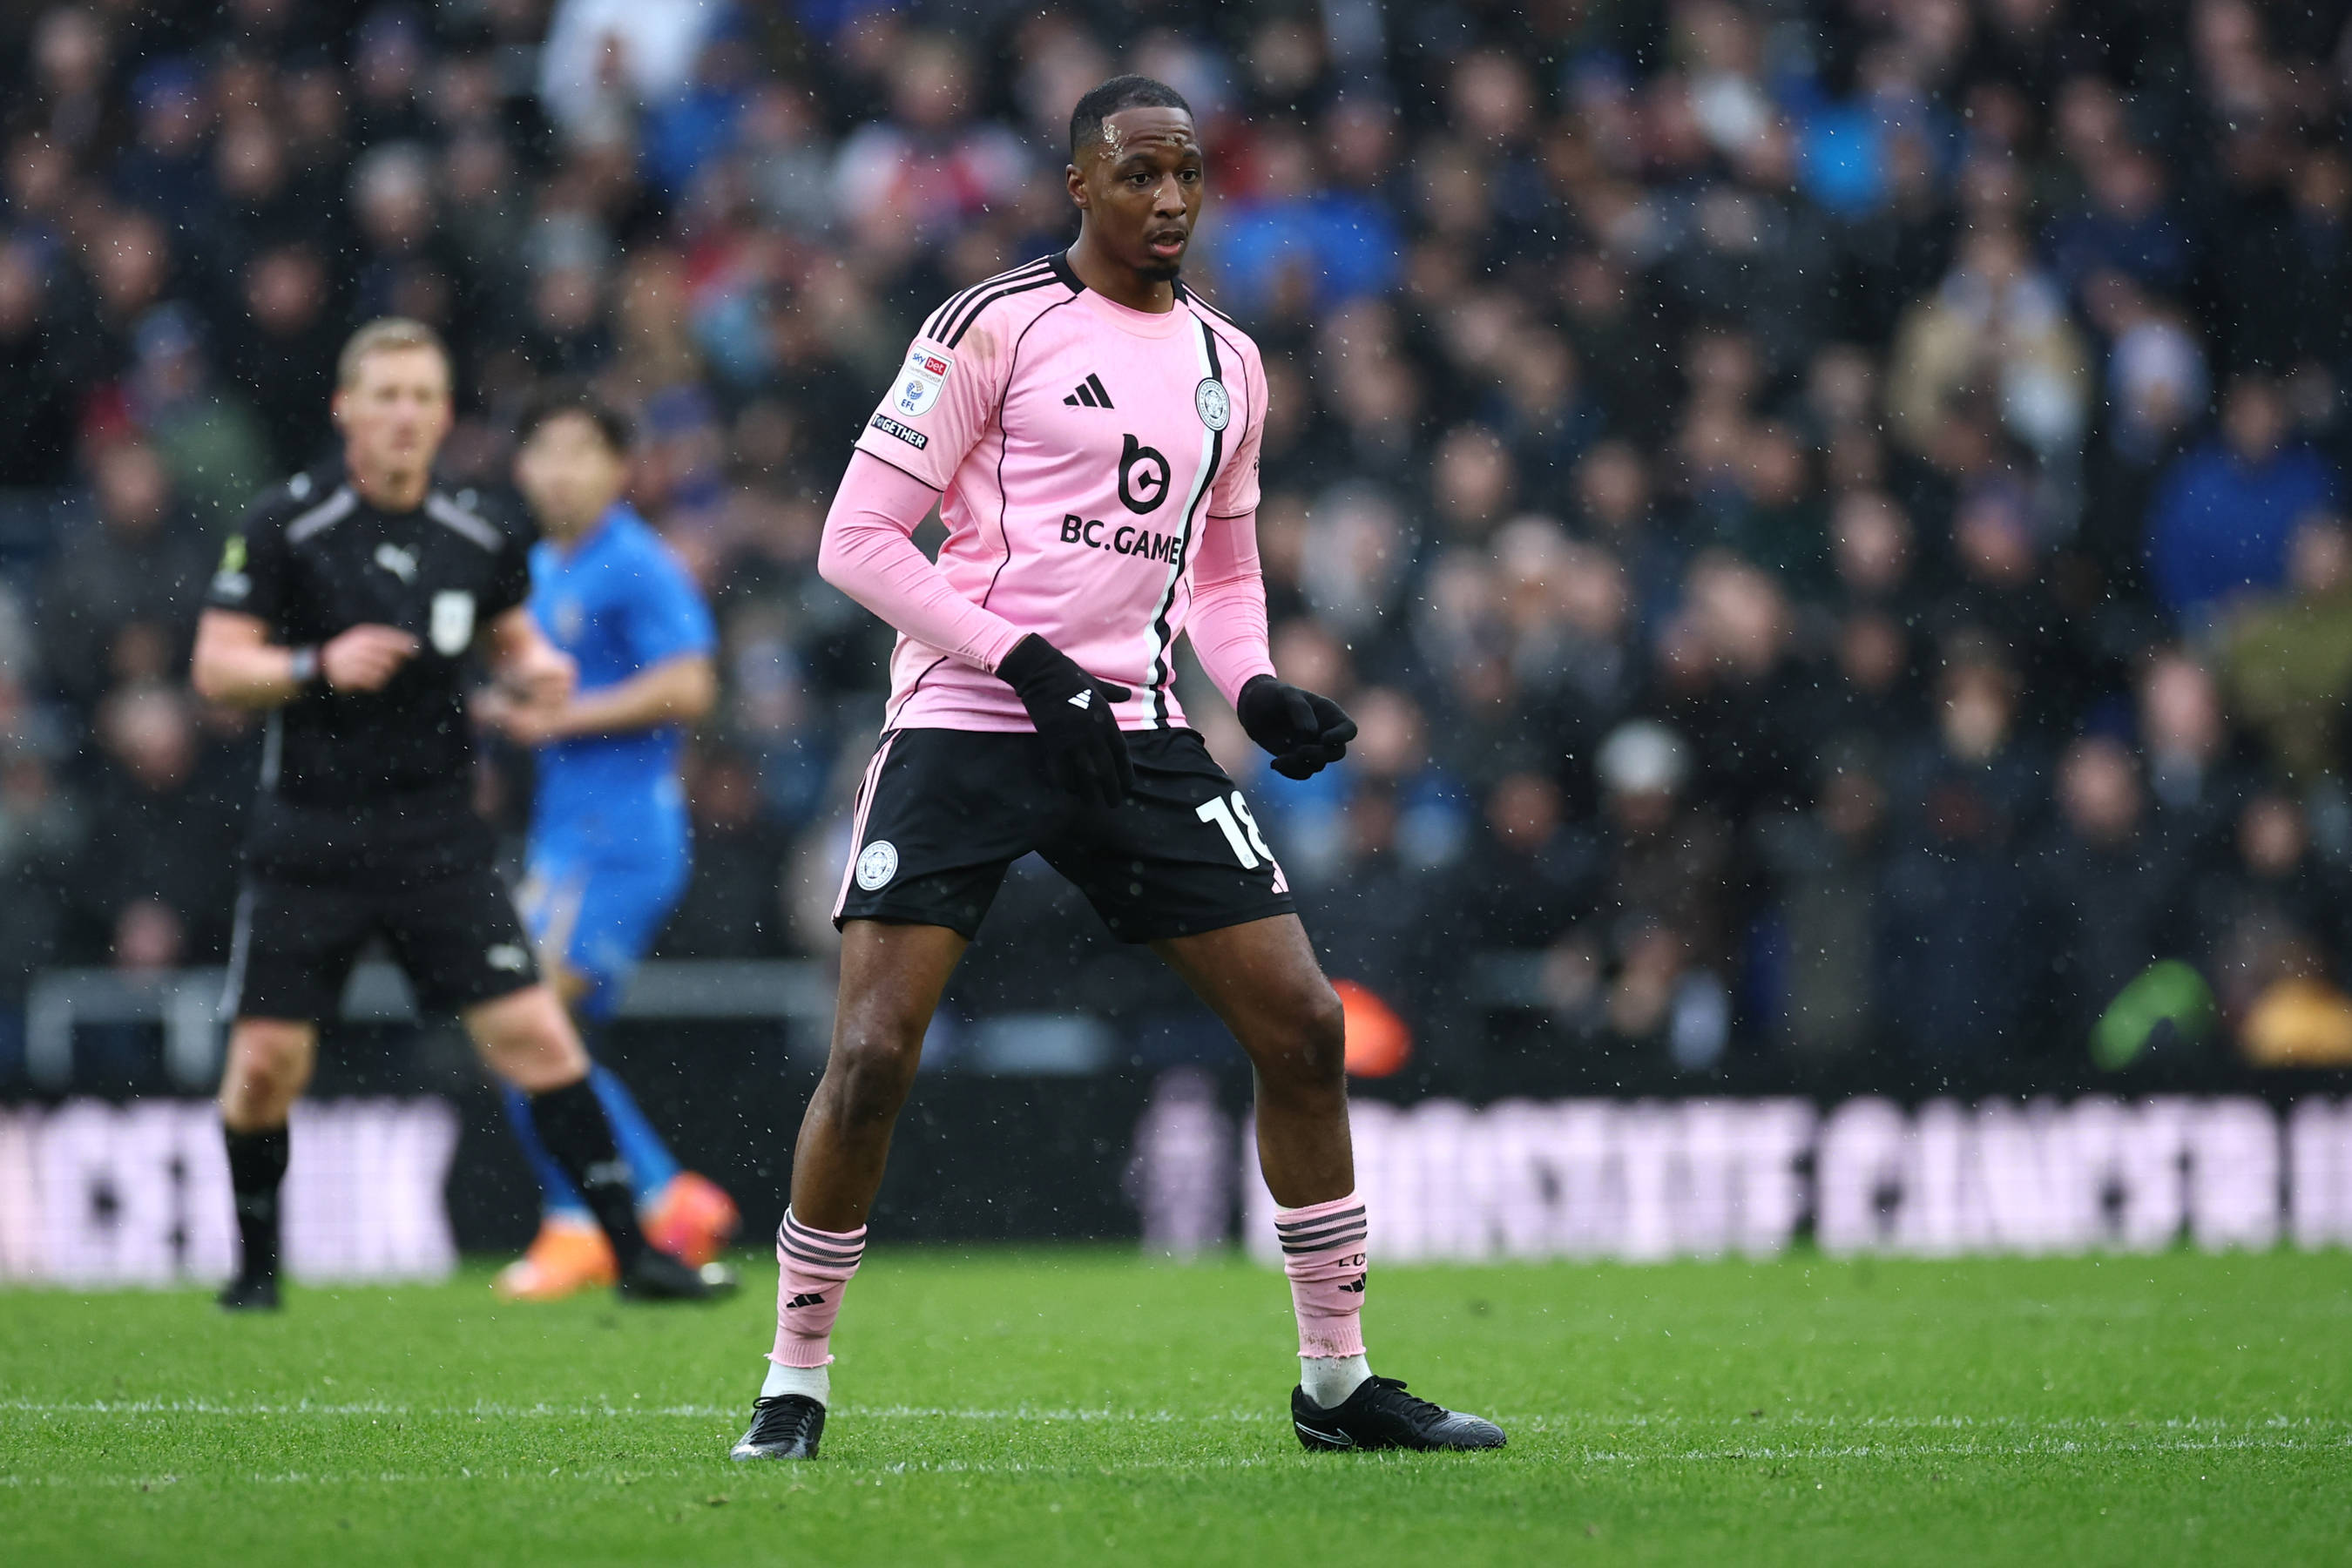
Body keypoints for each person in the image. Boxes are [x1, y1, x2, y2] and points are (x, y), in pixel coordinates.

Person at [730, 78, 1504, 1462]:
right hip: (970, 718)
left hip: (1134, 730)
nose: (1167, 198)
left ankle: (1338, 1385)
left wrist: (1254, 685)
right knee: (868, 1055)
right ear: (1077, 183)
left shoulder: (1231, 361)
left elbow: (1218, 564)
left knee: (1306, 1028)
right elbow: (857, 540)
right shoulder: (992, 325)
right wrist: (1022, 661)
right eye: (1137, 172)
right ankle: (796, 1377)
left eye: (1187, 174)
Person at [190, 317, 732, 1310]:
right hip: (309, 835)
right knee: (268, 1063)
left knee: (536, 1038)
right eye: (385, 395)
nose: (403, 415)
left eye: (422, 397)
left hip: (436, 837)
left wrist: (536, 670)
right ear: (344, 408)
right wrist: (314, 665)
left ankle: (632, 1249)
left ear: (444, 415)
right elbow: (217, 667)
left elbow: (513, 641)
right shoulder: (283, 524)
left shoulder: (479, 533)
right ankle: (255, 1270)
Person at [476, 386, 739, 1300]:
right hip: (565, 833)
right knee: (528, 1029)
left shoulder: (638, 563)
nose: (560, 470)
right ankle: (650, 1198)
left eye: (581, 452)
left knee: (522, 1019)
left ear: (621, 468)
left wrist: (567, 717)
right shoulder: (541, 566)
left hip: (623, 833)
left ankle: (600, 1213)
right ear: (520, 466)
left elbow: (693, 686)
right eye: (544, 451)